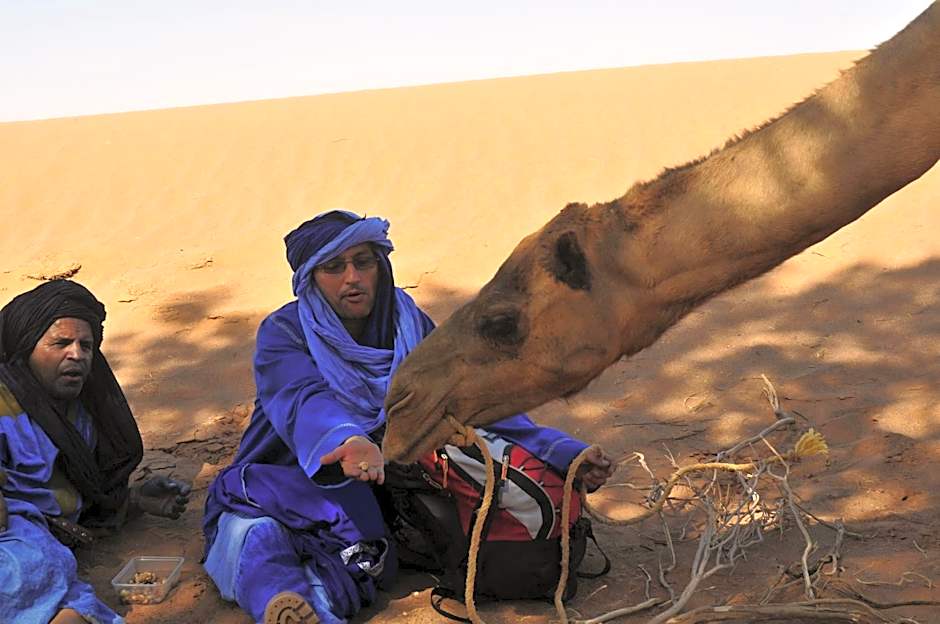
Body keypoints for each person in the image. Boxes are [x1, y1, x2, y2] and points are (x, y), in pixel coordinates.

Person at [202, 210, 615, 624]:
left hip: (375, 494)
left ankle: (315, 610)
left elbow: (467, 397)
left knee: (353, 561)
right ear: (310, 278)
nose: (353, 278)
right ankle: (286, 603)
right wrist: (345, 439)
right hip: (291, 474)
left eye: (363, 262)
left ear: (380, 266)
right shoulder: (286, 332)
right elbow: (300, 398)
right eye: (334, 267)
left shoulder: (408, 323)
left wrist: (565, 453)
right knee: (252, 534)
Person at [0, 280, 192, 624]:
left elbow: (77, 498)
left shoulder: (85, 414)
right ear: (26, 349)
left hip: (43, 541)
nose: (77, 354)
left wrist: (131, 502)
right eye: (61, 343)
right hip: (14, 535)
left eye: (86, 345)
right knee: (23, 566)